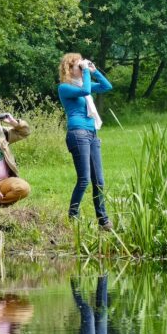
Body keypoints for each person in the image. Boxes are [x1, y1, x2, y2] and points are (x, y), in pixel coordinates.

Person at [58, 53, 113, 230]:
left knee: (99, 181)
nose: (81, 68)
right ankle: (72, 216)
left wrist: (94, 71)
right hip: (78, 133)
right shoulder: (65, 87)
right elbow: (86, 91)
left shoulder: (84, 83)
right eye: (78, 66)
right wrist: (86, 73)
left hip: (92, 133)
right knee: (84, 179)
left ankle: (103, 221)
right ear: (69, 69)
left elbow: (106, 86)